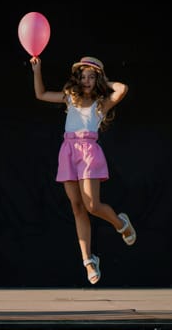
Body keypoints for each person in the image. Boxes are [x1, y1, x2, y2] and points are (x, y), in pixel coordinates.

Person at [29, 55, 136, 284]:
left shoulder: (101, 104)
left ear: (97, 80)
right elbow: (41, 94)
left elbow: (122, 88)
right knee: (77, 207)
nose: (86, 81)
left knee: (92, 205)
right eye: (83, 77)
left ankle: (121, 223)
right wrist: (37, 70)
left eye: (91, 77)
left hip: (88, 153)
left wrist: (103, 78)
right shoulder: (70, 99)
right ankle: (88, 260)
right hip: (68, 151)